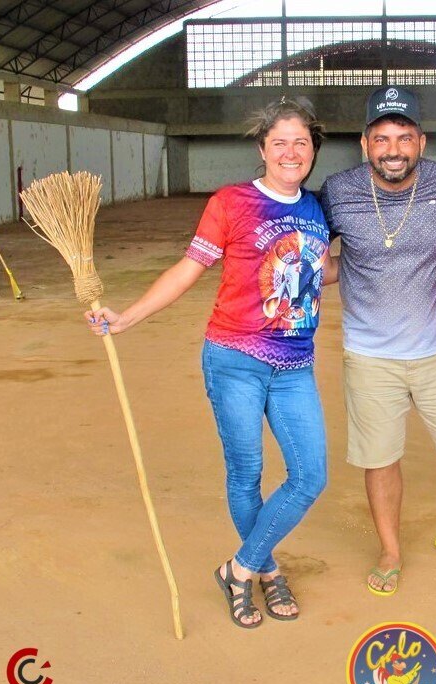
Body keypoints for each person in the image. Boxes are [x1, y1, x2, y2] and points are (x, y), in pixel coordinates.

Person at [85, 99, 336, 629]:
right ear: (262, 149)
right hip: (234, 359)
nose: (291, 152)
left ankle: (238, 568)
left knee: (310, 476)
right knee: (246, 473)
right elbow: (188, 268)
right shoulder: (232, 202)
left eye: (301, 143)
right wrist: (128, 318)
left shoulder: (317, 208)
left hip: (295, 365)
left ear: (314, 149)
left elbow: (319, 270)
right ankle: (265, 571)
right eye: (280, 143)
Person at [319, 86, 436, 596]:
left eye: (405, 137)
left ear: (422, 141)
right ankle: (390, 549)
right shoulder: (337, 190)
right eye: (383, 138)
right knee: (379, 457)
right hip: (369, 354)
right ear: (365, 142)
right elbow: (310, 253)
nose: (394, 149)